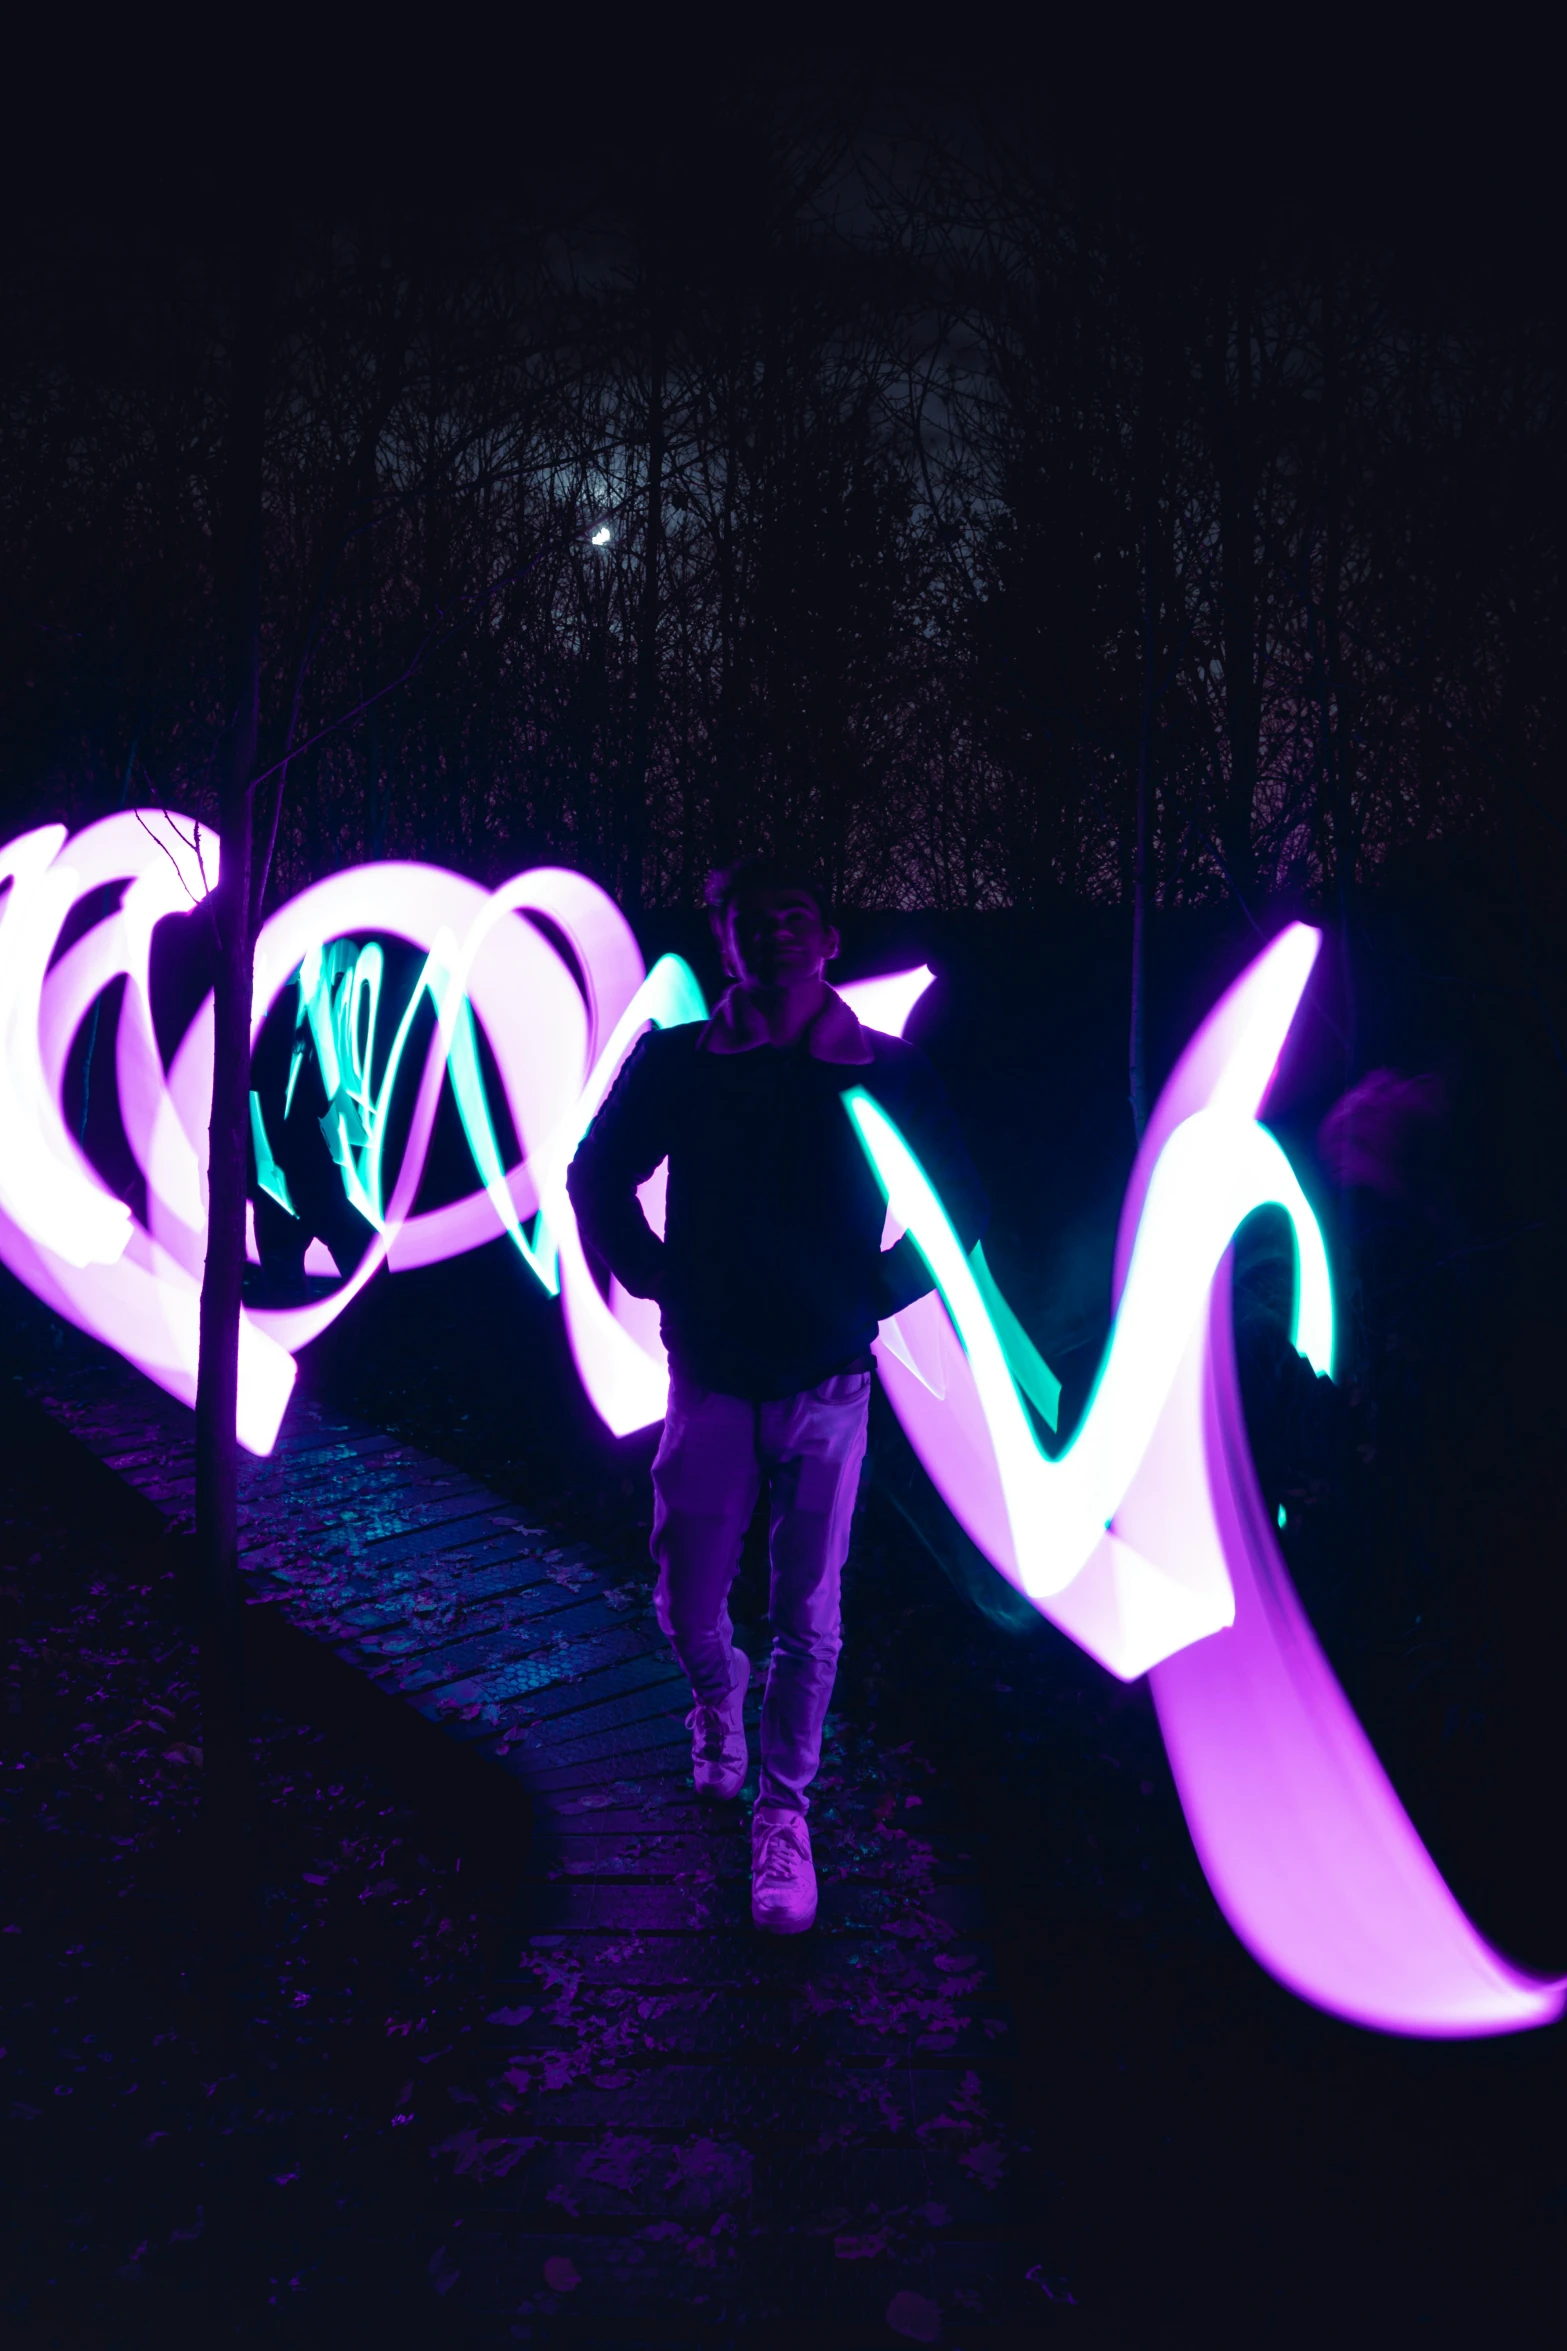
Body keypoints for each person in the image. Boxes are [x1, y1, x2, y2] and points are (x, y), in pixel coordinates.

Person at [566, 858, 987, 1933]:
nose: (777, 935)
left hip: (831, 1378)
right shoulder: (678, 1064)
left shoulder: (887, 1071)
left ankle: (784, 1817)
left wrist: (875, 1295)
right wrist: (651, 1267)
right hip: (709, 1369)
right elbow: (593, 1170)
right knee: (686, 1596)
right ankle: (716, 1695)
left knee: (812, 1612)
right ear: (727, 941)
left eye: (795, 914)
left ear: (829, 938)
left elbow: (960, 1201)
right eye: (753, 919)